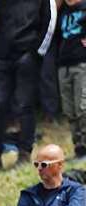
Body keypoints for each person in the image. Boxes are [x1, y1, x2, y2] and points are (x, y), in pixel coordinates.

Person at [0, 0, 55, 169]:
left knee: (24, 106)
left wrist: (37, 53)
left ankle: (24, 154)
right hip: (1, 58)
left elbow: (49, 23)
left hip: (27, 57)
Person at [59, 2, 86, 157]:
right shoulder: (62, 11)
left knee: (82, 107)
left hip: (82, 63)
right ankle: (79, 147)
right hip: (63, 64)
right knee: (69, 110)